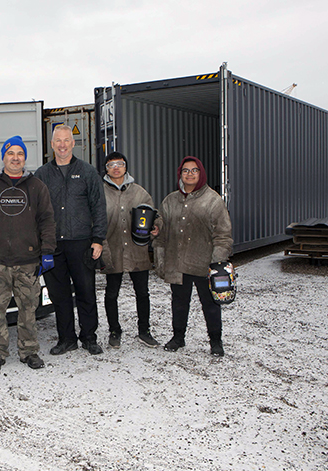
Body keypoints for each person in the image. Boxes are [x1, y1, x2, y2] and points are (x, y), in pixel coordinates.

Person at [0, 136, 57, 372]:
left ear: (25, 158)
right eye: (11, 153)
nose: (15, 158)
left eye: (20, 153)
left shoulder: (37, 187)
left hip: (27, 261)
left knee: (28, 308)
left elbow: (47, 220)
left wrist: (48, 251)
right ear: (4, 157)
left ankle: (29, 351)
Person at [34, 125, 108, 355]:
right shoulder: (42, 174)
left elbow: (99, 207)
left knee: (86, 291)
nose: (62, 145)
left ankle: (89, 337)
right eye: (58, 141)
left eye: (67, 140)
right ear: (52, 144)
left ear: (73, 143)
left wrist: (98, 239)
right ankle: (66, 339)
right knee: (60, 295)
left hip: (81, 242)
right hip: (53, 244)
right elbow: (35, 210)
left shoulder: (87, 172)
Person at [153, 156, 233, 357]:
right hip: (177, 262)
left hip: (203, 263)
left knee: (211, 304)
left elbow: (223, 234)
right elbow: (162, 226)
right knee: (179, 303)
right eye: (186, 170)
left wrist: (218, 264)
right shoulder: (170, 200)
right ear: (180, 174)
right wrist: (156, 229)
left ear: (201, 173)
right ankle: (178, 337)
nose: (190, 174)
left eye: (194, 170)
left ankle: (215, 341)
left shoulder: (212, 200)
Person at [101, 151, 161, 349]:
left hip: (137, 251)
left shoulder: (139, 192)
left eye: (120, 163)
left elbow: (154, 215)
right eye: (111, 164)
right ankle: (114, 331)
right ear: (106, 169)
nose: (116, 167)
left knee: (142, 292)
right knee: (111, 293)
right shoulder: (100, 192)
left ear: (126, 167)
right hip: (113, 250)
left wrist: (155, 226)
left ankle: (144, 331)